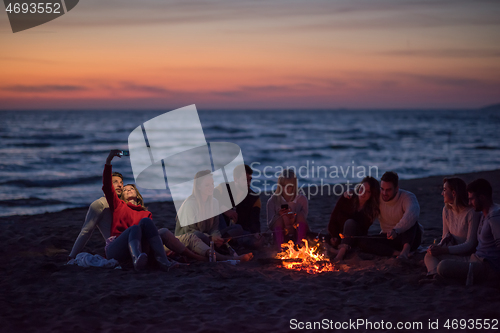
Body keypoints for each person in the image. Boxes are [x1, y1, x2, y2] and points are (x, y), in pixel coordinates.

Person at [68, 154, 204, 264]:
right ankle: (140, 258)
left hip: (141, 244)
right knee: (137, 229)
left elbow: (149, 234)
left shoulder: (142, 211)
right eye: (117, 183)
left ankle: (167, 260)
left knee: (165, 230)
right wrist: (109, 161)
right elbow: (86, 231)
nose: (121, 186)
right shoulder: (111, 205)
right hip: (119, 246)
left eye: (124, 184)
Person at [103, 150, 192, 271]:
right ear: (121, 195)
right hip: (117, 248)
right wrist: (108, 161)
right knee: (135, 228)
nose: (128, 190)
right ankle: (136, 259)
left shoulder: (146, 214)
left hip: (141, 248)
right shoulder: (119, 205)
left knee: (146, 222)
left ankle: (164, 261)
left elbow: (149, 238)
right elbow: (107, 187)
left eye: (131, 189)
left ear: (137, 194)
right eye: (125, 190)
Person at [175, 169, 254, 262]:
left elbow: (215, 228)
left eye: (212, 184)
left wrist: (216, 237)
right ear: (198, 187)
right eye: (207, 185)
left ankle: (218, 245)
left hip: (209, 238)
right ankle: (227, 256)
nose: (211, 187)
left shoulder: (214, 202)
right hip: (191, 240)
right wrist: (210, 238)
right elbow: (190, 232)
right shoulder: (190, 204)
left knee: (237, 228)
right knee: (198, 235)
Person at [437, 179, 500, 283]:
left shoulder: (494, 217)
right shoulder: (484, 213)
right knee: (435, 256)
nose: (469, 203)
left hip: (486, 266)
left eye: (471, 199)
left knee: (443, 266)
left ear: (482, 198)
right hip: (474, 258)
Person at [357, 171, 422, 259]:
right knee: (363, 242)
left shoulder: (407, 197)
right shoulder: (378, 196)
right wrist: (350, 193)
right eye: (382, 189)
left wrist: (396, 230)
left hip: (410, 239)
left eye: (388, 190)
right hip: (388, 237)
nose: (384, 193)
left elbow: (412, 213)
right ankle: (397, 253)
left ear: (396, 188)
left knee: (411, 222)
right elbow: (363, 193)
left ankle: (405, 252)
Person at [424, 177, 480, 276]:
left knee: (443, 265)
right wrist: (438, 247)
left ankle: (437, 273)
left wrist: (445, 250)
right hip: (453, 253)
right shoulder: (446, 210)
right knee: (429, 256)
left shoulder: (471, 213)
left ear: (454, 193)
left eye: (445, 190)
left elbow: (470, 244)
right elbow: (445, 236)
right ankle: (434, 274)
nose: (442, 193)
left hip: (468, 256)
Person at [68, 171, 123, 259]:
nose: (120, 185)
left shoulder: (124, 204)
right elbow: (86, 232)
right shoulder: (99, 204)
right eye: (115, 182)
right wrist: (72, 255)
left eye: (121, 183)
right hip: (116, 246)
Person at [328, 176, 380, 261]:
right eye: (362, 188)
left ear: (372, 194)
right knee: (314, 239)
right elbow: (333, 218)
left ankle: (339, 254)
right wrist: (334, 235)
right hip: (339, 237)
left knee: (350, 223)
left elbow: (361, 228)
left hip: (356, 239)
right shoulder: (348, 198)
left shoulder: (371, 209)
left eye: (368, 192)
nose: (363, 193)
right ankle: (338, 250)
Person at [213, 164, 262, 249]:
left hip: (239, 231)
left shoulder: (254, 198)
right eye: (245, 180)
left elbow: (255, 221)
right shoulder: (222, 188)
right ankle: (221, 242)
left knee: (255, 241)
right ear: (236, 179)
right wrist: (225, 210)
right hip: (220, 228)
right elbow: (209, 199)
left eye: (250, 180)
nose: (248, 183)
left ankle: (225, 243)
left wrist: (256, 232)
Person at [267, 169, 309, 249]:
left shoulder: (301, 199)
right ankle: (280, 247)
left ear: (294, 186)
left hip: (297, 230)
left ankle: (299, 244)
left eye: (289, 186)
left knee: (300, 215)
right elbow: (270, 224)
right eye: (283, 185)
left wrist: (292, 218)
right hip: (280, 231)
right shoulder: (273, 201)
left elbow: (304, 219)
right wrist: (280, 216)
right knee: (277, 218)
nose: (286, 189)